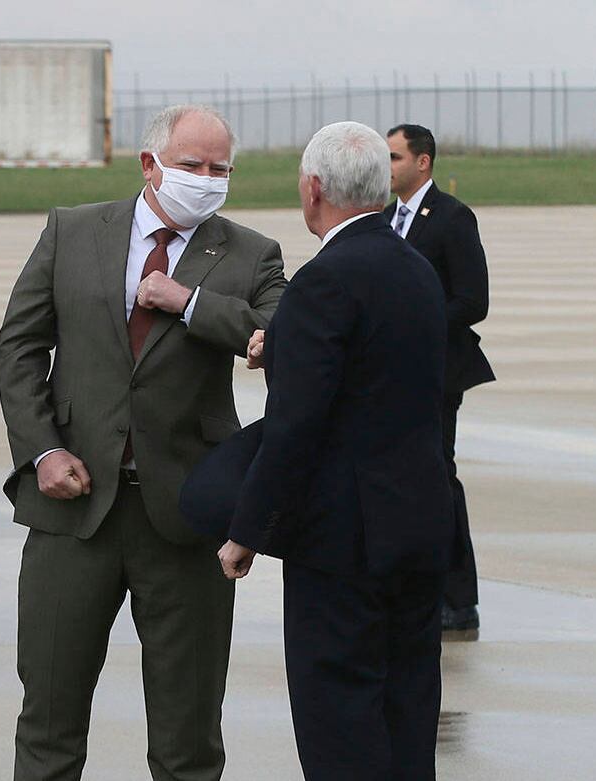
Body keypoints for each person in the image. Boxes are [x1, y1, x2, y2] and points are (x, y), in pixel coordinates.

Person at [0, 104, 286, 781]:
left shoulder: (250, 253)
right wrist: (43, 449)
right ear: (149, 164)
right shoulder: (71, 231)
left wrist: (186, 301)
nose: (208, 179)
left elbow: (280, 334)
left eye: (221, 169)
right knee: (48, 725)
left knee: (187, 739)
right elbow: (19, 348)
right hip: (74, 514)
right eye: (193, 166)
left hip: (187, 520)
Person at [219, 122, 454, 780]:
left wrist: (246, 531)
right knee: (408, 713)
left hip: (347, 540)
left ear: (314, 189)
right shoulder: (416, 269)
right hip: (418, 524)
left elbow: (296, 425)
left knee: (340, 727)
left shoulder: (324, 281)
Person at [385, 123, 495, 634]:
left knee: (438, 480)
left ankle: (458, 597)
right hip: (393, 378)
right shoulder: (385, 220)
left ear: (422, 162)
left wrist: (416, 327)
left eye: (394, 158)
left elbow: (473, 301)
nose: (387, 168)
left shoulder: (452, 218)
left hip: (438, 372)